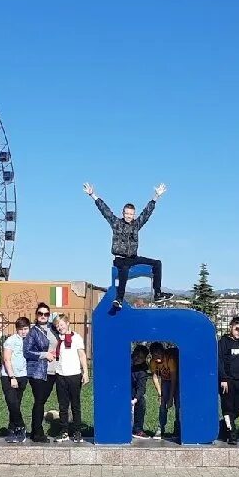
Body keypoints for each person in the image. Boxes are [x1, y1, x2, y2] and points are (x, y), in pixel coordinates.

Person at [83, 182, 174, 312]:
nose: (129, 216)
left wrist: (156, 197)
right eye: (127, 213)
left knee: (157, 263)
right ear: (123, 213)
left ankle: (158, 293)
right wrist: (93, 195)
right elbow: (105, 210)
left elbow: (146, 213)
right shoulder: (116, 223)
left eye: (131, 214)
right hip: (120, 258)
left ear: (134, 214)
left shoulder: (136, 225)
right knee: (124, 269)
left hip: (133, 258)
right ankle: (119, 299)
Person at [23, 303, 57, 443]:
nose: (43, 316)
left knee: (42, 401)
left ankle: (35, 431)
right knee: (39, 401)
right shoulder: (33, 331)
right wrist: (44, 354)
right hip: (38, 371)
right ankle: (37, 432)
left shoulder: (53, 328)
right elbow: (27, 351)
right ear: (36, 315)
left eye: (46, 314)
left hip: (53, 370)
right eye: (40, 314)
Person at [52, 317, 89, 442]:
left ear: (68, 323)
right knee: (63, 406)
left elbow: (82, 355)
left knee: (75, 404)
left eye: (61, 324)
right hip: (60, 375)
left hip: (74, 375)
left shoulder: (76, 338)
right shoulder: (57, 339)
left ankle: (77, 431)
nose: (59, 327)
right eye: (57, 326)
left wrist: (86, 373)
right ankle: (64, 431)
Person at [0, 317, 31, 443]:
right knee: (11, 402)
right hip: (9, 376)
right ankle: (21, 426)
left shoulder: (29, 340)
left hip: (23, 375)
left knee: (16, 404)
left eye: (26, 329)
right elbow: (6, 359)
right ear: (17, 329)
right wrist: (12, 377)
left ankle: (12, 430)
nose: (23, 332)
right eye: (21, 329)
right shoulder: (11, 340)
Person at [148, 342, 180, 439]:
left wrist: (170, 398)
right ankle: (160, 428)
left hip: (176, 381)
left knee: (178, 404)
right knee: (162, 405)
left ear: (163, 352)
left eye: (158, 353)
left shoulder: (170, 359)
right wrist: (160, 393)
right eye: (154, 354)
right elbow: (154, 377)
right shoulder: (153, 362)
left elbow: (174, 379)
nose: (157, 356)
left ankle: (178, 428)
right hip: (165, 381)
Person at [131, 344, 151, 439]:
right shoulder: (126, 363)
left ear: (144, 359)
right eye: (136, 355)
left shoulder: (142, 372)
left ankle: (138, 429)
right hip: (122, 391)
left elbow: (141, 388)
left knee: (141, 401)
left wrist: (135, 399)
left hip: (133, 393)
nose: (137, 358)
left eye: (141, 357)